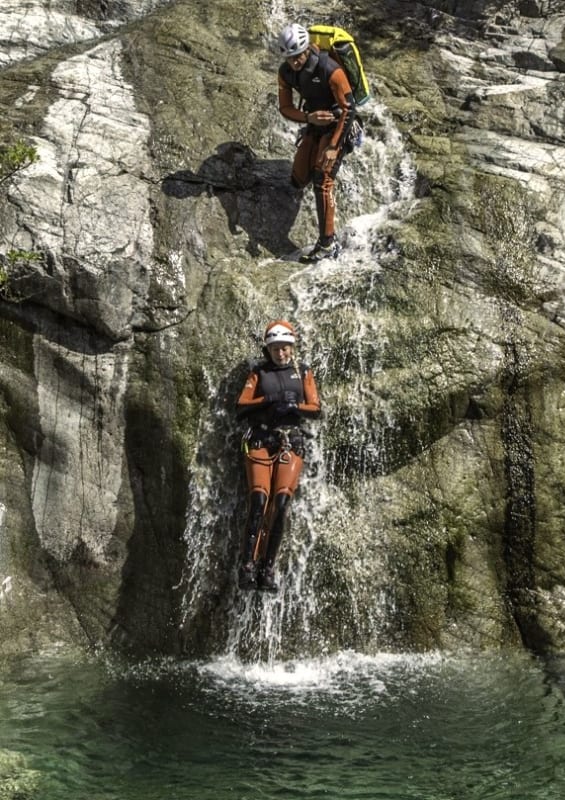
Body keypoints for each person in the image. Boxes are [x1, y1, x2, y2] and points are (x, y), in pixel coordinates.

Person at [236, 320, 321, 591]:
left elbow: (316, 409)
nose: (280, 353)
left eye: (284, 349)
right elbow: (241, 407)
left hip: (289, 444)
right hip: (261, 440)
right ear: (269, 349)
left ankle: (268, 569)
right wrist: (268, 401)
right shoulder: (258, 373)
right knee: (259, 500)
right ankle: (247, 565)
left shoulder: (303, 372)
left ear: (292, 348)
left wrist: (294, 405)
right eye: (275, 349)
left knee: (281, 505)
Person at [277, 23, 356, 263]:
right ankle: (317, 158)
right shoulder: (286, 72)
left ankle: (327, 244)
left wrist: (332, 147)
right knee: (298, 179)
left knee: (322, 180)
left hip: (338, 126)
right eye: (290, 57)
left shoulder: (329, 69)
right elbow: (286, 108)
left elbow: (349, 109)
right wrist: (308, 118)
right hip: (314, 123)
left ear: (307, 49)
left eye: (299, 55)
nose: (295, 61)